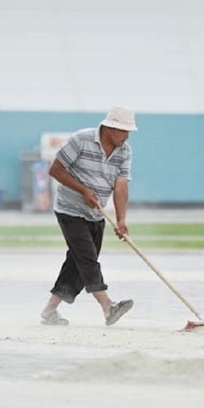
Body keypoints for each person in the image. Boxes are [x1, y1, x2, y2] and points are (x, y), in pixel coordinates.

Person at [40, 105, 137, 327]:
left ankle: (49, 311)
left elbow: (121, 186)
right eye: (124, 131)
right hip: (69, 210)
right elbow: (55, 170)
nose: (127, 136)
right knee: (87, 259)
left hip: (96, 214)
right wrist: (83, 190)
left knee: (77, 263)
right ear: (110, 128)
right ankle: (107, 307)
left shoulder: (125, 151)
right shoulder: (81, 140)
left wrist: (121, 220)